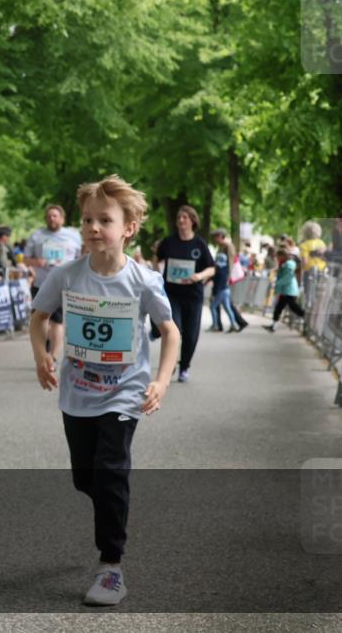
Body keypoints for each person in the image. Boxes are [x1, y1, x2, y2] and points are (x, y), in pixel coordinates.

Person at [30, 175, 179, 606]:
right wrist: (41, 355)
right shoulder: (67, 275)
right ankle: (111, 506)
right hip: (77, 393)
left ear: (128, 228)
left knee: (110, 469)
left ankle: (111, 567)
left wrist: (162, 381)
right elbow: (39, 317)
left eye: (105, 220)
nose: (94, 228)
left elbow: (170, 333)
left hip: (124, 391)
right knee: (86, 477)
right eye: (88, 220)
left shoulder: (143, 281)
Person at [154, 205, 215, 383]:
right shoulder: (169, 242)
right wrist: (156, 273)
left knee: (191, 335)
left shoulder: (199, 244)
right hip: (172, 294)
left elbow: (211, 268)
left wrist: (199, 276)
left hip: (193, 296)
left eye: (185, 218)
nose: (181, 220)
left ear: (193, 221)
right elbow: (157, 257)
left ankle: (185, 367)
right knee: (175, 329)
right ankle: (170, 362)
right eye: (179, 217)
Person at [24, 205, 83, 358]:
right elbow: (25, 259)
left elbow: (81, 258)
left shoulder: (73, 235)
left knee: (57, 322)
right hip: (41, 284)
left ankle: (54, 357)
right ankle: (44, 352)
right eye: (49, 216)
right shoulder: (36, 236)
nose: (52, 218)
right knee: (41, 320)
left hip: (64, 285)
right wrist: (37, 261)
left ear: (62, 219)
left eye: (55, 216)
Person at [264, 247, 306, 332]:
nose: (277, 259)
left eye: (278, 256)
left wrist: (277, 283)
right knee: (280, 307)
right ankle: (273, 325)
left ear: (282, 256)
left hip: (289, 290)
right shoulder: (286, 263)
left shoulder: (288, 264)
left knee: (292, 306)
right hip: (286, 290)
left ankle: (304, 317)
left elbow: (287, 277)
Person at [208, 229, 241, 333]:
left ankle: (217, 325)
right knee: (227, 307)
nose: (215, 239)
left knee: (215, 305)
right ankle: (232, 324)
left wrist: (227, 278)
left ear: (221, 236)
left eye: (216, 237)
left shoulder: (228, 246)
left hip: (223, 280)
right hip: (222, 280)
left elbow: (230, 263)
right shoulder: (221, 247)